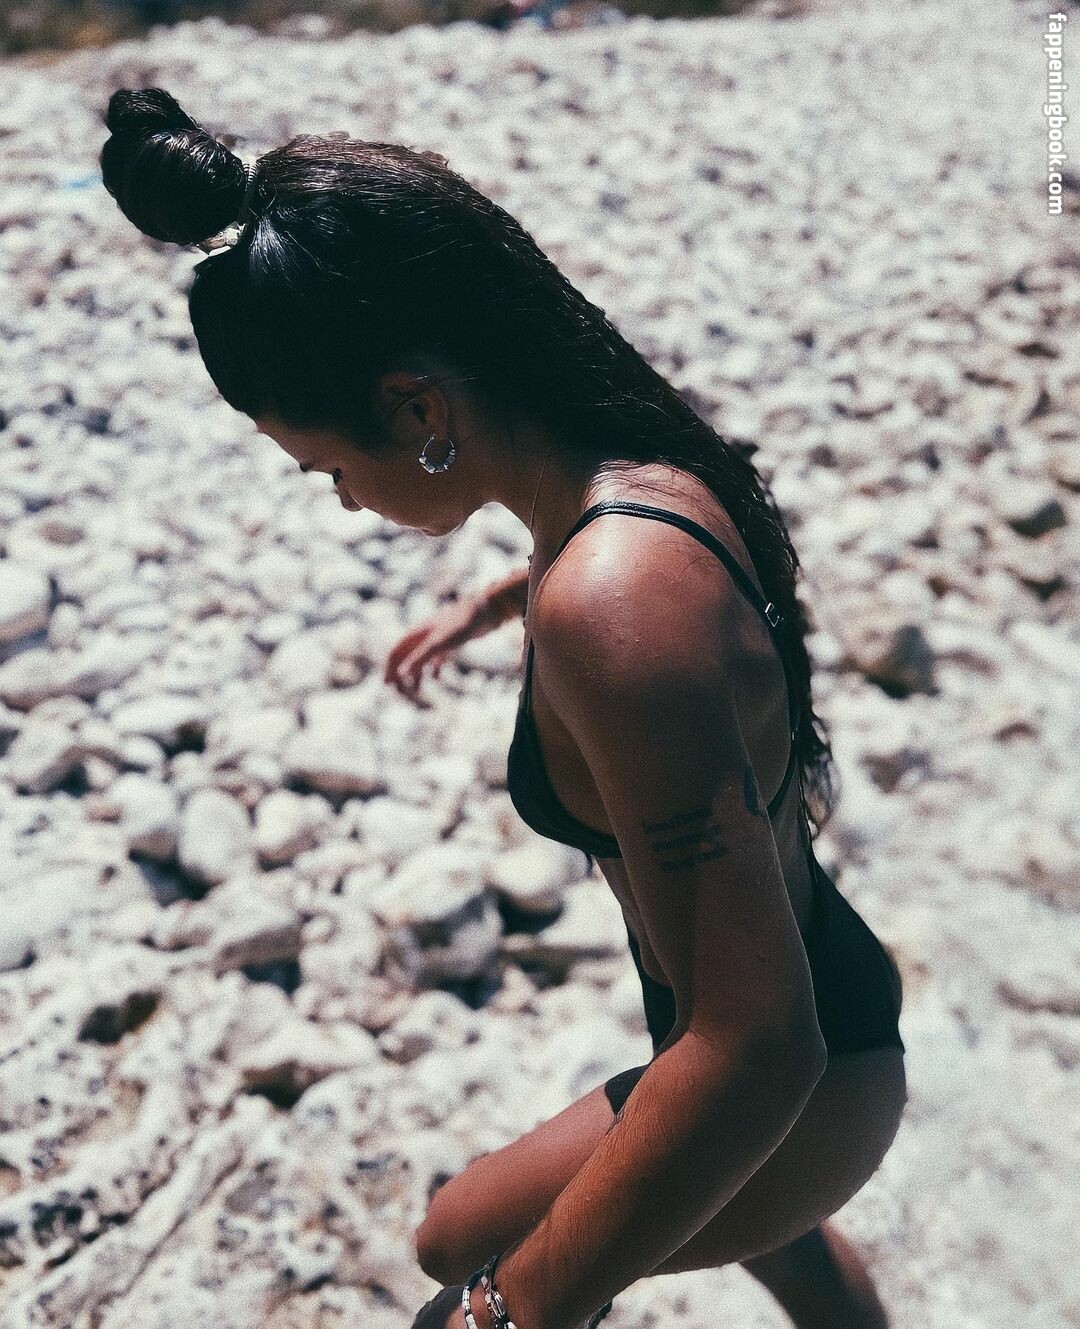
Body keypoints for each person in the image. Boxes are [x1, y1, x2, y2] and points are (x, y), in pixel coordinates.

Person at [99, 87, 907, 1329]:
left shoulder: (611, 603)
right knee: (759, 1241)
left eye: (327, 467)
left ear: (420, 410)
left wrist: (510, 1315)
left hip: (800, 1075)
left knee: (455, 1251)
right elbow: (634, 599)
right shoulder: (641, 477)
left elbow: (756, 1045)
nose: (342, 498)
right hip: (802, 987)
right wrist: (496, 608)